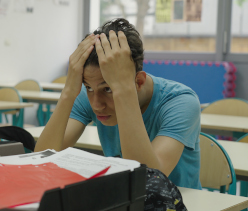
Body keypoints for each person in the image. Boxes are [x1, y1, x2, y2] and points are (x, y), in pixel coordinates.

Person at [34, 18, 201, 189]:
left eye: (108, 89)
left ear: (139, 82)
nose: (97, 105)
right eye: (88, 87)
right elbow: (41, 158)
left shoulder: (181, 101)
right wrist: (68, 92)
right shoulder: (91, 95)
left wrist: (122, 89)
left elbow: (147, 182)